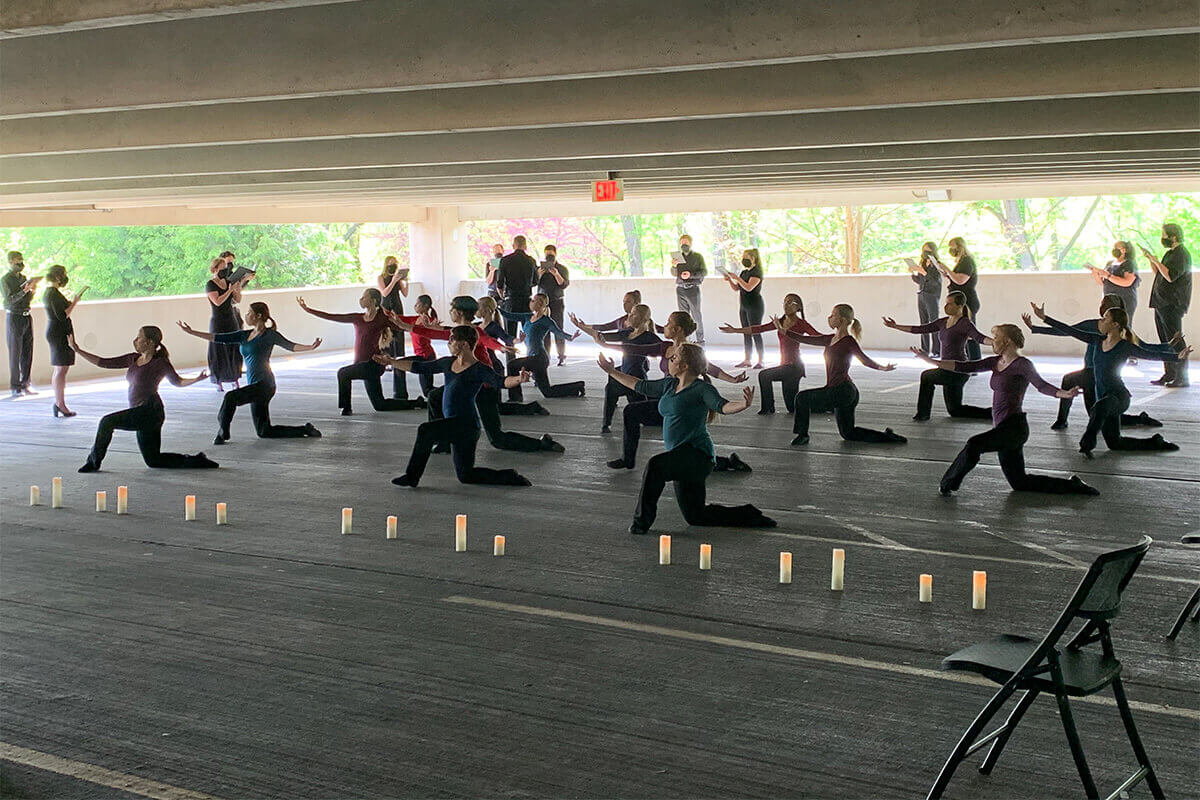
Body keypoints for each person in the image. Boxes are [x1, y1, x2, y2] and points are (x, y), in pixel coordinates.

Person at [598, 344, 775, 536]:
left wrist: (743, 404)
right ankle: (749, 514)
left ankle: (640, 523)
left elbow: (722, 406)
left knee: (655, 466)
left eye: (673, 359)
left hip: (697, 455)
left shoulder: (702, 389)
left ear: (683, 366)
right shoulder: (669, 385)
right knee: (696, 517)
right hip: (680, 455)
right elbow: (638, 384)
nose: (669, 361)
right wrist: (610, 370)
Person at [912, 324, 1099, 497]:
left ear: (1007, 341)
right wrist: (931, 361)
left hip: (1014, 428)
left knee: (974, 444)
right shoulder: (996, 361)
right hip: (1002, 427)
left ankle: (948, 484)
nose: (993, 341)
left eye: (997, 338)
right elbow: (965, 366)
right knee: (1020, 482)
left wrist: (1063, 394)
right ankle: (1073, 486)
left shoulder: (1022, 364)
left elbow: (1041, 385)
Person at [392, 295, 563, 454]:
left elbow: (488, 340)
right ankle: (444, 441)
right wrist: (405, 326)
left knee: (497, 438)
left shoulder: (472, 332)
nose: (450, 312)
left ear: (458, 313)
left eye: (451, 310)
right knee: (436, 396)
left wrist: (501, 347)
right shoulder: (457, 331)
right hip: (467, 383)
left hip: (483, 384)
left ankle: (541, 444)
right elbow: (435, 332)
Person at [591, 310, 750, 472]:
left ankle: (720, 462)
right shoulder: (665, 347)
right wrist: (607, 346)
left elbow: (711, 369)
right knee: (632, 412)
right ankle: (628, 460)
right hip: (668, 396)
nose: (664, 326)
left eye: (668, 323)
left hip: (683, 401)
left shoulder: (690, 352)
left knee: (685, 443)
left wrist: (732, 380)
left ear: (678, 329)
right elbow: (635, 348)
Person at [381, 326, 534, 488]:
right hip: (455, 425)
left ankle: (411, 477)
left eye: (452, 340)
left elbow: (501, 382)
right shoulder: (448, 362)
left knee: (425, 430)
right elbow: (419, 367)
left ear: (465, 345)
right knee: (466, 475)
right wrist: (391, 362)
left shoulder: (479, 369)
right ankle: (509, 475)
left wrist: (519, 379)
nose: (449, 343)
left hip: (466, 426)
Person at [1031, 303, 1189, 457]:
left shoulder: (1125, 346)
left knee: (1099, 407)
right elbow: (1070, 330)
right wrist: (1044, 318)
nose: (1101, 320)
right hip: (1103, 397)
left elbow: (1150, 354)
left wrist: (1177, 357)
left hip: (1118, 397)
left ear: (1114, 324)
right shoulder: (1096, 340)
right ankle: (1155, 442)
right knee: (1115, 443)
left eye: (1105, 318)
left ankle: (1087, 443)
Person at [70, 327, 218, 472]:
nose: (136, 340)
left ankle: (93, 463)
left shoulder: (160, 363)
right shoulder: (133, 358)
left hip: (150, 411)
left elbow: (177, 382)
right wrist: (78, 350)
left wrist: (197, 379)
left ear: (150, 342)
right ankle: (197, 460)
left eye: (139, 337)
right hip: (139, 411)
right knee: (154, 460)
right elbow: (103, 362)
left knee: (107, 422)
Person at [177, 302, 323, 444]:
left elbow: (290, 346)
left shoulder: (270, 335)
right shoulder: (244, 335)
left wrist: (310, 347)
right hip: (254, 384)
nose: (246, 316)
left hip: (265, 384)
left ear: (258, 316)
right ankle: (305, 429)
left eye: (249, 313)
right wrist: (192, 332)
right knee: (264, 431)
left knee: (230, 397)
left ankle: (223, 432)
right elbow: (218, 337)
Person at [1023, 296, 1166, 430]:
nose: (1104, 309)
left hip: (1101, 379)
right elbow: (1068, 330)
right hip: (1089, 373)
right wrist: (1036, 328)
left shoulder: (1123, 333)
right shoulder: (1092, 325)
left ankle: (1139, 419)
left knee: (1098, 414)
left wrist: (1171, 348)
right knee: (1085, 399)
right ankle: (1062, 420)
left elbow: (1145, 349)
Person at [783, 304, 907, 446]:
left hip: (842, 392)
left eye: (833, 315)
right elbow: (806, 339)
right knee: (848, 433)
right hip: (842, 391)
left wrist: (882, 368)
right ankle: (888, 437)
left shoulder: (848, 341)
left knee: (802, 398)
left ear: (842, 320)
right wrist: (784, 331)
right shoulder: (830, 339)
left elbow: (863, 359)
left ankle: (802, 435)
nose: (829, 318)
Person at [296, 290, 426, 415]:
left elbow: (402, 326)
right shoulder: (357, 318)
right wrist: (309, 310)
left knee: (343, 373)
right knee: (380, 405)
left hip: (372, 365)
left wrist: (424, 325)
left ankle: (346, 408)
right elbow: (334, 316)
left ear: (373, 300)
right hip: (362, 365)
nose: (361, 299)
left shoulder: (381, 318)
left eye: (364, 297)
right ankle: (416, 403)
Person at [882, 290, 993, 421]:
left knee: (927, 376)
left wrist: (995, 342)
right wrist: (895, 326)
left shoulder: (964, 323)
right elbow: (920, 329)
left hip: (959, 370)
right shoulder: (942, 322)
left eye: (950, 304)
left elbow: (979, 337)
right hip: (946, 368)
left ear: (959, 306)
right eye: (946, 303)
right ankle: (993, 412)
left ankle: (923, 414)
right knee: (955, 410)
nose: (946, 306)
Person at [719, 293, 817, 414]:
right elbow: (758, 328)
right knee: (792, 408)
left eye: (791, 303)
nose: (786, 305)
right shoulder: (780, 321)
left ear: (798, 308)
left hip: (795, 367)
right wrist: (735, 330)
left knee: (764, 375)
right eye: (785, 302)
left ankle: (768, 407)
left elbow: (817, 337)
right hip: (784, 366)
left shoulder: (802, 324)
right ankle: (770, 407)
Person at [573, 303, 660, 432]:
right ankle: (606, 424)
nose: (629, 316)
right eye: (630, 313)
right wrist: (580, 326)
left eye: (633, 314)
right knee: (610, 389)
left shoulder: (649, 337)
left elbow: (666, 349)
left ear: (643, 319)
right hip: (623, 374)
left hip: (637, 380)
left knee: (646, 419)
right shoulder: (627, 333)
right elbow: (600, 335)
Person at [500, 294, 584, 400]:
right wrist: (497, 308)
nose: (531, 302)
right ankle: (578, 386)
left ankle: (515, 397)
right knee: (547, 392)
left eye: (533, 300)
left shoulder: (546, 320)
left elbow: (558, 332)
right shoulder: (527, 316)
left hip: (539, 358)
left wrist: (570, 337)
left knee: (512, 365)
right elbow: (509, 315)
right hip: (533, 357)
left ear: (540, 303)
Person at [476, 295, 548, 416]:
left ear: (487, 310)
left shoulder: (494, 327)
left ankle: (532, 407)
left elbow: (507, 338)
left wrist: (518, 340)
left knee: (495, 407)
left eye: (478, 307)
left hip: (492, 366)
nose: (476, 310)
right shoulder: (476, 325)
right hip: (480, 366)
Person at [1141, 223, 1192, 387]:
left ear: (1173, 237)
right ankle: (1169, 373)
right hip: (1160, 302)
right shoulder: (1169, 254)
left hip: (1172, 304)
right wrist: (1152, 260)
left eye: (1164, 235)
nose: (1162, 238)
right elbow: (1159, 273)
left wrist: (1156, 260)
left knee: (1175, 340)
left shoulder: (1181, 254)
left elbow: (1170, 276)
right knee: (1165, 341)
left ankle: (1182, 377)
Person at [43, 264, 87, 417]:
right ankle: (60, 404)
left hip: (58, 332)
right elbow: (63, 315)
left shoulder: (52, 293)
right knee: (61, 369)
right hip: (58, 333)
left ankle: (59, 403)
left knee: (60, 369)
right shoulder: (52, 294)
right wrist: (75, 302)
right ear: (57, 277)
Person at [933, 237, 982, 359]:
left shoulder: (967, 262)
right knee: (961, 332)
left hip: (967, 301)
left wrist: (946, 268)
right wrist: (947, 273)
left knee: (970, 333)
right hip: (958, 300)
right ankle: (964, 360)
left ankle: (974, 361)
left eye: (953, 247)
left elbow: (961, 280)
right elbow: (955, 278)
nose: (951, 250)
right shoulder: (960, 262)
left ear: (960, 247)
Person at [205, 256, 246, 390]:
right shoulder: (210, 284)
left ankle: (234, 377)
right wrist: (229, 290)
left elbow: (237, 299)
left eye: (225, 268)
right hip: (218, 321)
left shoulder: (228, 281)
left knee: (233, 348)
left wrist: (237, 289)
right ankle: (218, 380)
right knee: (218, 349)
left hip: (230, 319)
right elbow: (217, 302)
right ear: (215, 269)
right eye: (221, 269)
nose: (224, 271)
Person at [4, 250, 39, 397]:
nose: (21, 263)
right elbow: (8, 301)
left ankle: (26, 383)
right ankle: (15, 386)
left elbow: (27, 299)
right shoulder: (5, 280)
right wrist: (24, 291)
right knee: (15, 353)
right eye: (18, 260)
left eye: (22, 260)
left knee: (27, 352)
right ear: (11, 262)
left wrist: (32, 291)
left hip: (26, 316)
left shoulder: (23, 278)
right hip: (14, 318)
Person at [723, 247, 765, 368]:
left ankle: (761, 360)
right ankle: (747, 359)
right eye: (743, 257)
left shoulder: (757, 272)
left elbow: (748, 287)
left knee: (756, 332)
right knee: (745, 332)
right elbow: (737, 288)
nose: (744, 259)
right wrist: (730, 280)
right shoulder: (744, 272)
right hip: (744, 305)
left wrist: (737, 278)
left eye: (746, 257)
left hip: (755, 305)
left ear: (753, 258)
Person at [377, 255, 410, 398]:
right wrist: (394, 280)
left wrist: (405, 281)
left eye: (394, 263)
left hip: (397, 305)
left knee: (398, 332)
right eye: (390, 263)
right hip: (387, 305)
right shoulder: (381, 277)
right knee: (387, 333)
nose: (392, 265)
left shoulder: (398, 277)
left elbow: (405, 294)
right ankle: (387, 358)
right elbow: (384, 292)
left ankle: (399, 357)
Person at [1086, 241, 1139, 324]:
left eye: (1116, 248)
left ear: (1124, 250)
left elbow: (1127, 282)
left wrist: (1109, 276)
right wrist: (1095, 272)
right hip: (1109, 299)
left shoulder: (1129, 263)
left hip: (1124, 300)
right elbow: (1103, 283)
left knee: (1123, 325)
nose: (1114, 250)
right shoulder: (1110, 263)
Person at [496, 235, 537, 341]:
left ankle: (511, 356)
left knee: (510, 334)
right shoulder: (531, 261)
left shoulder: (505, 260)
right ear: (525, 246)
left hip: (511, 299)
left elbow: (499, 283)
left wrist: (503, 295)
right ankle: (531, 355)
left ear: (513, 245)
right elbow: (535, 281)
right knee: (528, 333)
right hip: (526, 299)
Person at [536, 244, 571, 366]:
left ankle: (561, 356)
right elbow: (533, 283)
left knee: (558, 328)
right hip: (542, 303)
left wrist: (556, 274)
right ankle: (545, 356)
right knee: (544, 330)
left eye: (551, 254)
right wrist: (538, 274)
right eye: (547, 254)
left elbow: (564, 285)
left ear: (555, 254)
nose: (549, 257)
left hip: (557, 301)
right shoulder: (539, 269)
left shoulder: (562, 268)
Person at [908, 242, 943, 357]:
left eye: (928, 251)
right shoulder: (923, 263)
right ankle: (924, 349)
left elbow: (935, 282)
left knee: (934, 323)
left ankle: (937, 350)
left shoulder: (936, 265)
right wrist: (913, 272)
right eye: (924, 250)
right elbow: (920, 280)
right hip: (922, 294)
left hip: (932, 296)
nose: (925, 253)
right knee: (923, 323)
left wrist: (924, 272)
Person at [671, 234, 707, 344]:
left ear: (690, 243)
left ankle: (700, 340)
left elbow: (703, 272)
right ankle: (685, 340)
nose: (683, 245)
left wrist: (690, 275)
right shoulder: (677, 257)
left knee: (696, 316)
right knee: (683, 317)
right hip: (680, 289)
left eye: (685, 242)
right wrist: (674, 266)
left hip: (693, 289)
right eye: (681, 243)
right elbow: (673, 273)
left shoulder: (698, 257)